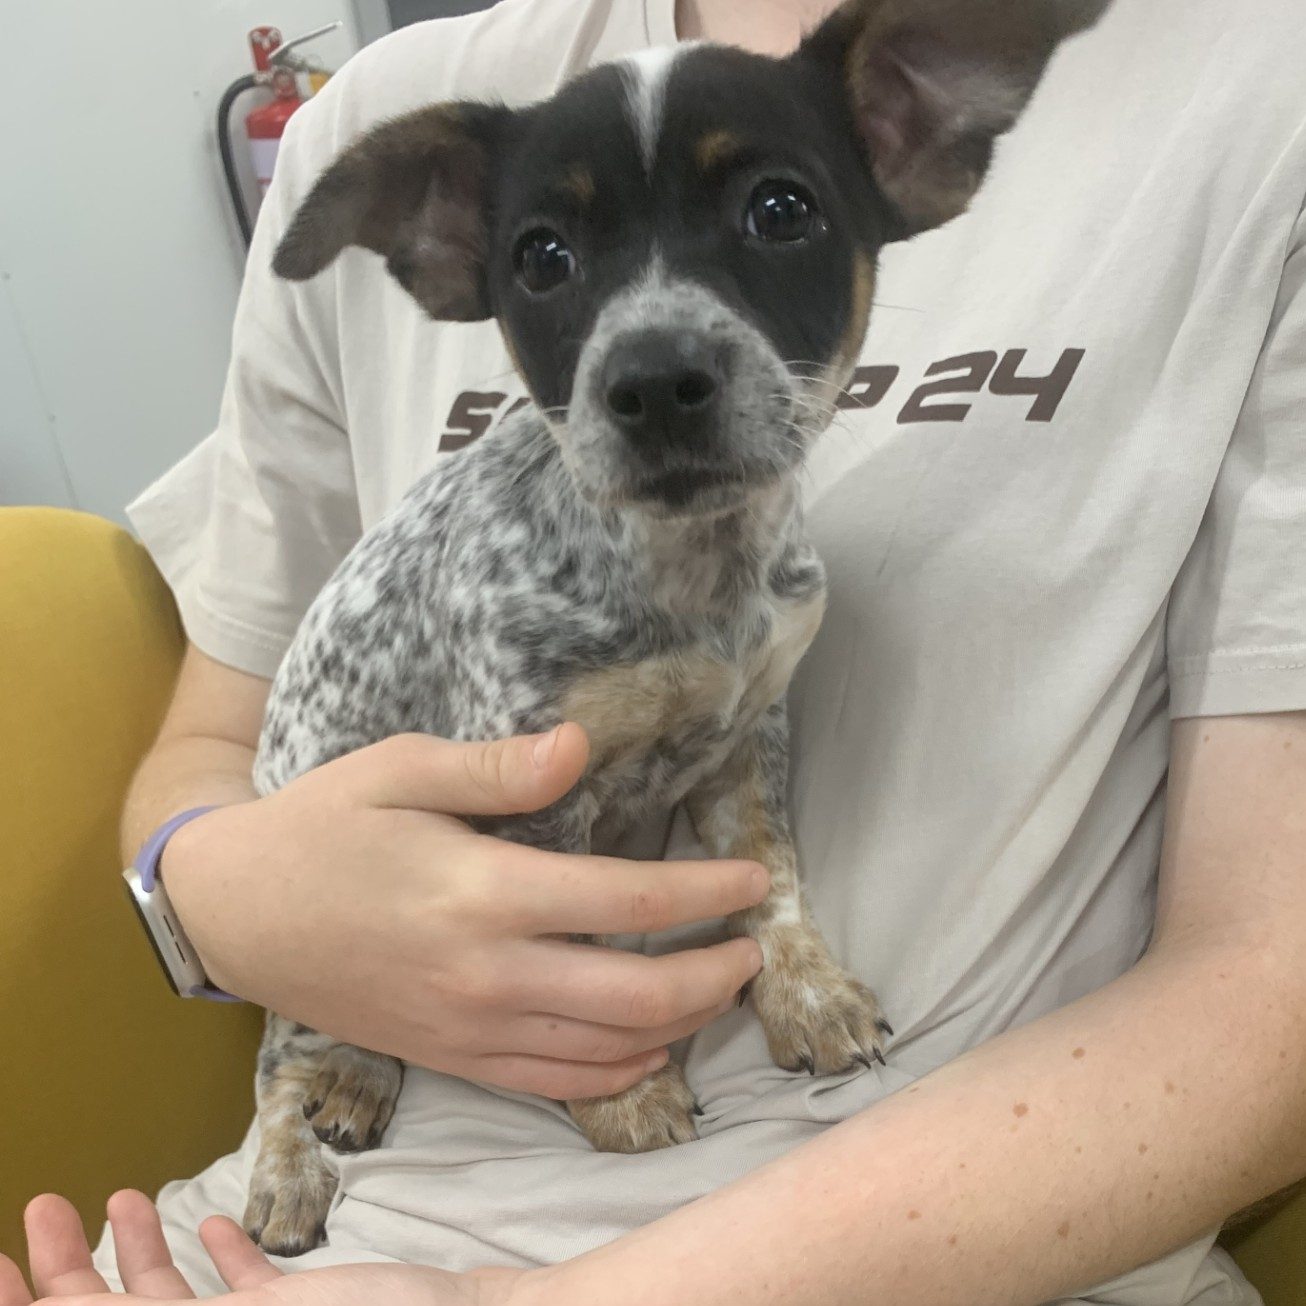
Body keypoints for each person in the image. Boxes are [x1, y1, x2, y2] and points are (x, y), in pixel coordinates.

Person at [18, 0, 1306, 1302]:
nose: (649, 361)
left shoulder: (1259, 88)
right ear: (454, 251)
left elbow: (1271, 994)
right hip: (331, 1225)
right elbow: (226, 746)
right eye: (544, 257)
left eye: (776, 211)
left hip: (969, 1231)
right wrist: (222, 899)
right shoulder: (379, 105)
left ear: (912, 135)